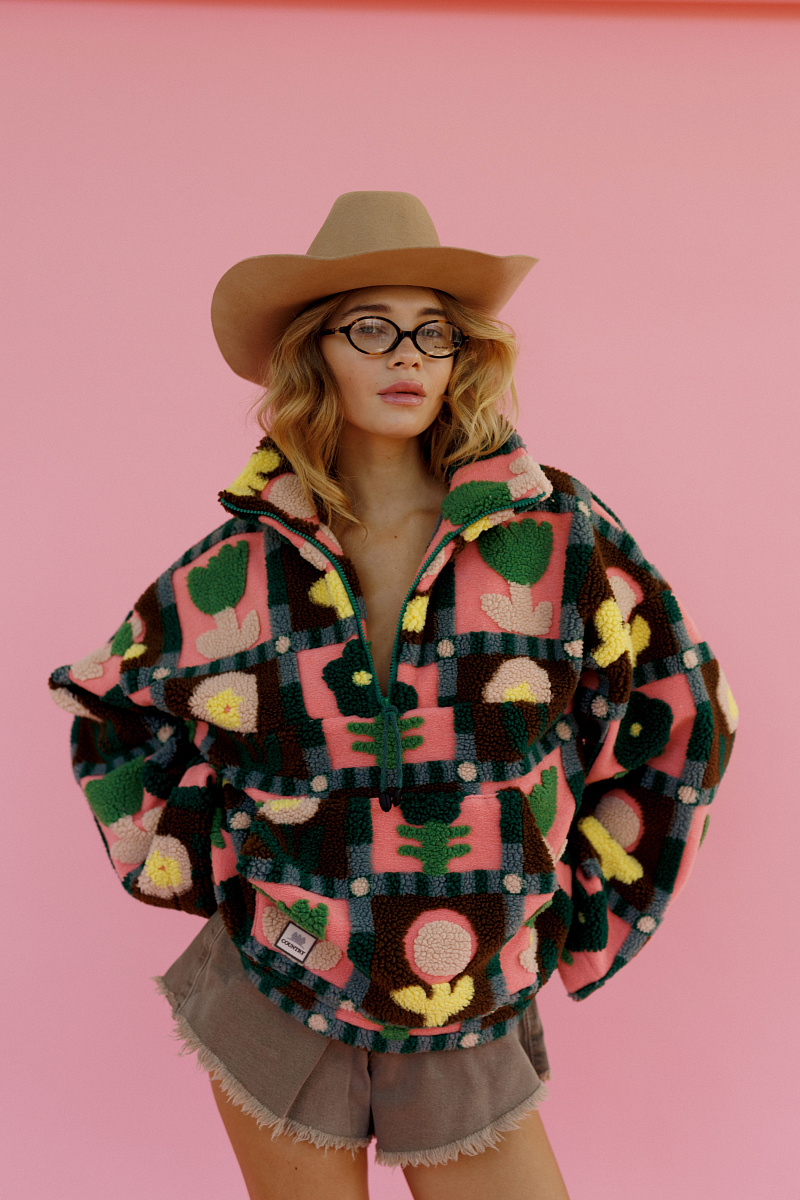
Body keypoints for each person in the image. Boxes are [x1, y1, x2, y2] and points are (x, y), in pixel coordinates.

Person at [48, 192, 737, 1200]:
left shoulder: (551, 534)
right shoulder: (242, 562)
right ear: (315, 354)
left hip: (471, 994)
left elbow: (682, 710)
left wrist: (570, 904)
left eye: (432, 332)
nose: (406, 356)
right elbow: (112, 708)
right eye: (371, 328)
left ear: (462, 356)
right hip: (276, 983)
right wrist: (223, 852)